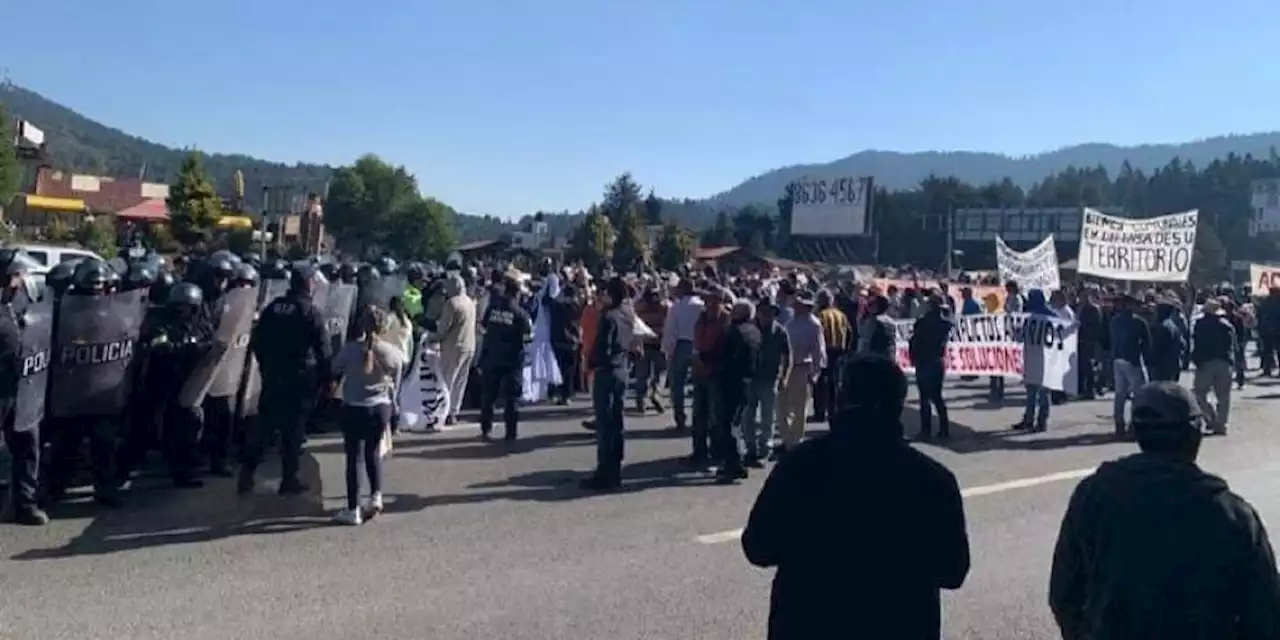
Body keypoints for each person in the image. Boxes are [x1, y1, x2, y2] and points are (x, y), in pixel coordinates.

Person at [742, 354, 970, 639]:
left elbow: (757, 547)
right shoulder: (933, 479)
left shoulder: (798, 466)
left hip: (806, 623)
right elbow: (953, 571)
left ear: (841, 399)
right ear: (898, 406)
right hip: (902, 624)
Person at [1048, 381, 1280, 638]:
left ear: (1137, 433)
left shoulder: (1093, 495)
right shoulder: (1231, 515)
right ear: (1195, 436)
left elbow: (1063, 595)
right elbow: (1266, 615)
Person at [242, 265, 331, 495]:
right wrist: (326, 379)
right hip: (298, 381)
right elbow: (323, 350)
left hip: (273, 377)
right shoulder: (310, 312)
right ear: (308, 284)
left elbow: (257, 340)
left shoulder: (273, 308)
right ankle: (289, 479)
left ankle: (246, 475)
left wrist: (266, 367)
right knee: (293, 432)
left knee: (264, 429)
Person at [330, 305, 404, 526]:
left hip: (354, 406)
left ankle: (353, 509)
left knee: (354, 458)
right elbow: (396, 384)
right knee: (374, 452)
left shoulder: (350, 349)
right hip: (380, 408)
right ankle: (376, 497)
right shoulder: (392, 353)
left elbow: (335, 368)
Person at [0, 249, 47, 525]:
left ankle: (24, 503)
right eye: (17, 274)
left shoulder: (20, 301)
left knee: (27, 443)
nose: (22, 279)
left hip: (22, 386)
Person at [581, 278, 629, 491]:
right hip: (621, 371)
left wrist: (591, 361)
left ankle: (605, 472)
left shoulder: (608, 317)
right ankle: (615, 470)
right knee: (616, 423)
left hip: (606, 372)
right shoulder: (627, 316)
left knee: (605, 424)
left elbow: (602, 347)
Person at [476, 277, 532, 442]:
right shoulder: (520, 314)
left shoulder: (492, 308)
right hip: (512, 361)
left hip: (492, 357)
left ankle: (486, 429)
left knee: (488, 396)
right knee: (511, 398)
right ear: (517, 293)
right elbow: (528, 337)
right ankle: (511, 433)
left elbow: (483, 328)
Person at [715, 300, 761, 484]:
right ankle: (734, 463)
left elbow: (726, 358)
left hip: (732, 381)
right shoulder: (754, 331)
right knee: (736, 421)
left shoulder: (734, 332)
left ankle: (734, 465)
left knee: (728, 424)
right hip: (747, 380)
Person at [743, 298, 790, 467]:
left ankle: (765, 451)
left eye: (770, 312)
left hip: (770, 379)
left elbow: (787, 356)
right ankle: (750, 449)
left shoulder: (780, 331)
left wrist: (784, 376)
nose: (766, 315)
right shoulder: (749, 329)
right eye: (763, 311)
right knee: (747, 416)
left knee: (767, 417)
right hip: (749, 378)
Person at [777, 294, 824, 456]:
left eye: (800, 304)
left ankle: (795, 442)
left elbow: (818, 351)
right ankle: (786, 439)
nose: (796, 306)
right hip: (787, 367)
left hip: (803, 367)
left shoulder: (814, 325)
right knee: (782, 406)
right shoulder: (791, 321)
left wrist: (815, 373)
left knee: (799, 407)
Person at [428, 273, 477, 426]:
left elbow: (443, 329)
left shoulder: (452, 304)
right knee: (461, 381)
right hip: (469, 346)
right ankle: (453, 412)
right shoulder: (470, 301)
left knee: (447, 381)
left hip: (453, 346)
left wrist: (430, 338)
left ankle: (443, 412)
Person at [661, 279, 704, 432]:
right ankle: (699, 417)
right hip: (699, 344)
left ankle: (680, 417)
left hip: (681, 344)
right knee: (699, 383)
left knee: (677, 383)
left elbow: (670, 329)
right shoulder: (701, 306)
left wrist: (667, 349)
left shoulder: (676, 307)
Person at [909, 293, 952, 440]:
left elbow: (914, 341)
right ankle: (944, 428)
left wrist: (913, 358)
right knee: (937, 396)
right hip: (938, 361)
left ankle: (926, 430)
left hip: (924, 361)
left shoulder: (922, 323)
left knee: (925, 398)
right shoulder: (945, 324)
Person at [1191, 298, 1234, 436]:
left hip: (1205, 363)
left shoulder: (1199, 325)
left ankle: (1211, 418)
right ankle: (1221, 424)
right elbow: (1233, 346)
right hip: (1224, 362)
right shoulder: (1226, 325)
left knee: (1200, 394)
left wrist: (1196, 360)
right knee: (1223, 396)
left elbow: (1196, 344)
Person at [1110, 294, 1150, 438]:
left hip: (1117, 358)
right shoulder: (1139, 322)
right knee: (1139, 393)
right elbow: (1146, 344)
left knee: (1120, 393)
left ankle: (1119, 424)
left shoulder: (1115, 320)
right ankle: (1135, 424)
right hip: (1132, 359)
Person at [812, 290, 851, 423]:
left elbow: (816, 335)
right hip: (839, 351)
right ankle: (833, 411)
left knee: (820, 382)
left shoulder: (819, 315)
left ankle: (820, 412)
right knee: (835, 383)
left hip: (824, 350)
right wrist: (846, 349)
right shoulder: (841, 315)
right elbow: (850, 332)